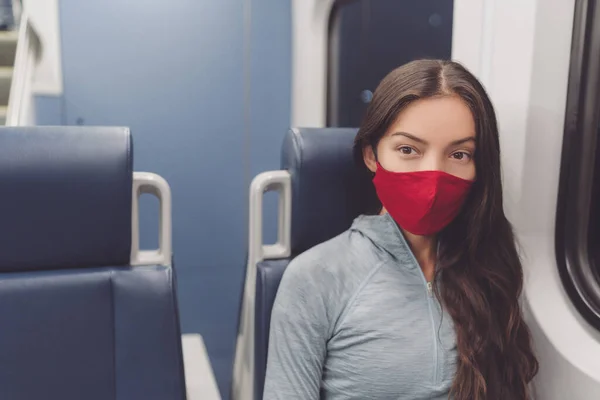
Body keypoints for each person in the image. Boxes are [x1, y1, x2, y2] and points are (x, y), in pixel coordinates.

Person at [262, 59, 538, 400]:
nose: (433, 175)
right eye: (408, 150)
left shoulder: (492, 268)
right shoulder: (315, 277)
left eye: (459, 154)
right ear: (372, 156)